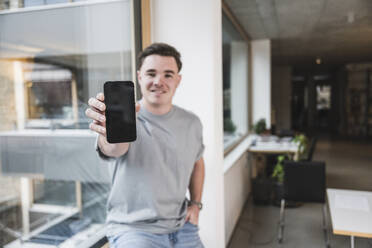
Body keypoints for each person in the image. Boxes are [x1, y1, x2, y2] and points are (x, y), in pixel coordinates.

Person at [85, 43, 205, 248]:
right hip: (133, 230)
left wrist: (195, 204)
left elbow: (198, 163)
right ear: (140, 77)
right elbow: (114, 149)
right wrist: (107, 131)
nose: (159, 81)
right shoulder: (126, 119)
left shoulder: (192, 122)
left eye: (168, 74)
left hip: (182, 226)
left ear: (178, 80)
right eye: (151, 73)